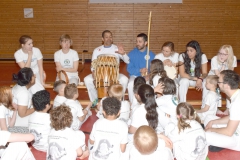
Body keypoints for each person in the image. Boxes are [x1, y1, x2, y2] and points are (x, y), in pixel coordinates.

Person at [84, 30, 129, 104]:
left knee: (124, 79)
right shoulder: (97, 50)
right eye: (106, 37)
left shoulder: (116, 49)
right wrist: (95, 76)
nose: (109, 39)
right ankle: (95, 101)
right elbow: (93, 66)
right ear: (102, 39)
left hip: (114, 74)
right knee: (87, 79)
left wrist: (123, 53)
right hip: (100, 75)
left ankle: (119, 101)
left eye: (110, 37)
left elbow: (127, 61)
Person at [205, 70, 240, 152]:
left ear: (226, 85)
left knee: (205, 135)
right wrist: (213, 122)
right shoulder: (237, 95)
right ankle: (219, 142)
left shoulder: (236, 103)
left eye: (219, 82)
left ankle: (220, 142)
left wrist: (212, 130)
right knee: (209, 118)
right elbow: (233, 117)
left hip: (237, 137)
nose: (218, 84)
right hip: (235, 128)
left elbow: (228, 132)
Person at [202, 45, 237, 115]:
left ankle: (228, 108)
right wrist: (223, 65)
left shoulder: (233, 58)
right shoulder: (214, 59)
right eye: (220, 53)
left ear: (229, 55)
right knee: (206, 84)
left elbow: (230, 73)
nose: (221, 56)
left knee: (229, 86)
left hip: (225, 77)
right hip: (213, 76)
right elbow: (218, 75)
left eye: (224, 54)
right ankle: (208, 107)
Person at [127, 33, 155, 103]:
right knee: (131, 84)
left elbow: (154, 69)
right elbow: (129, 69)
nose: (137, 43)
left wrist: (149, 75)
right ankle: (132, 103)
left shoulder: (151, 54)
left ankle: (148, 103)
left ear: (145, 43)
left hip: (147, 76)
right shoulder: (131, 54)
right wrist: (139, 70)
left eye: (140, 41)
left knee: (151, 84)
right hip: (135, 75)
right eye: (137, 41)